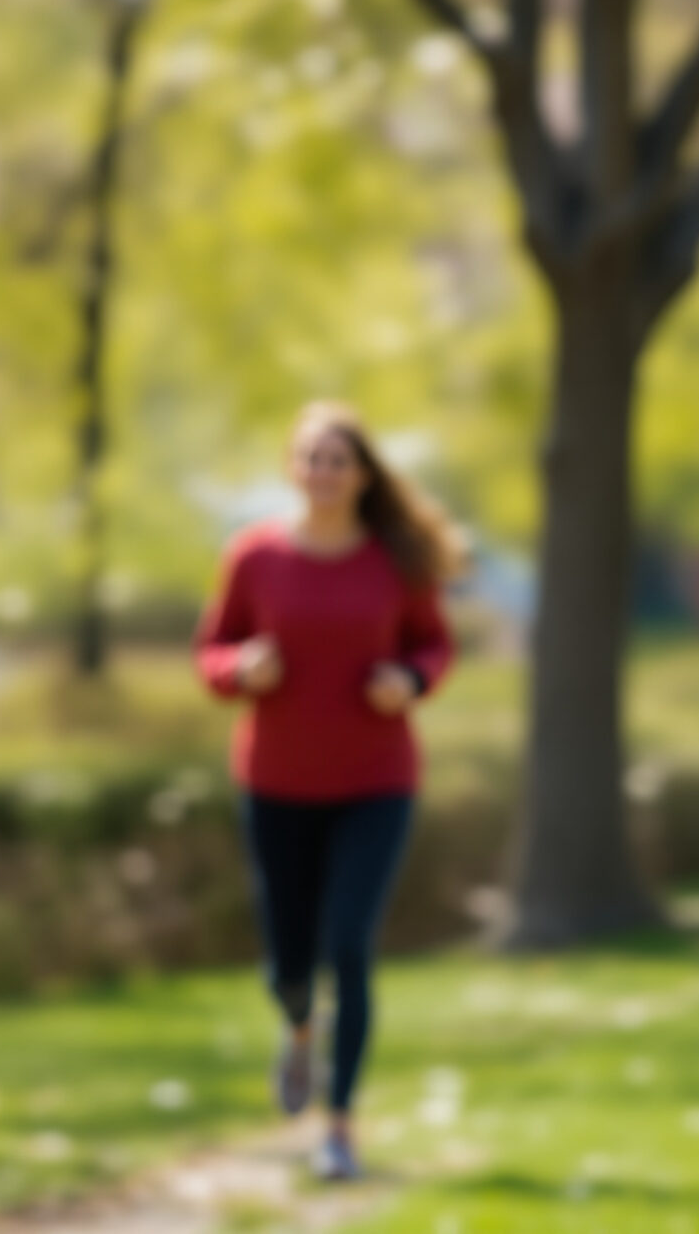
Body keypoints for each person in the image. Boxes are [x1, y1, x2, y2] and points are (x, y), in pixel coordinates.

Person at [195, 401, 463, 1181]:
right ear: (292, 468)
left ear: (363, 474)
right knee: (287, 961)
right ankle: (299, 1028)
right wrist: (240, 668)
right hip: (276, 780)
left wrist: (410, 678)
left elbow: (434, 645)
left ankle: (339, 1125)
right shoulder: (254, 555)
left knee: (348, 943)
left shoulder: (395, 560)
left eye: (337, 459)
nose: (322, 471)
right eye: (310, 457)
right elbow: (212, 651)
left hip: (376, 781)